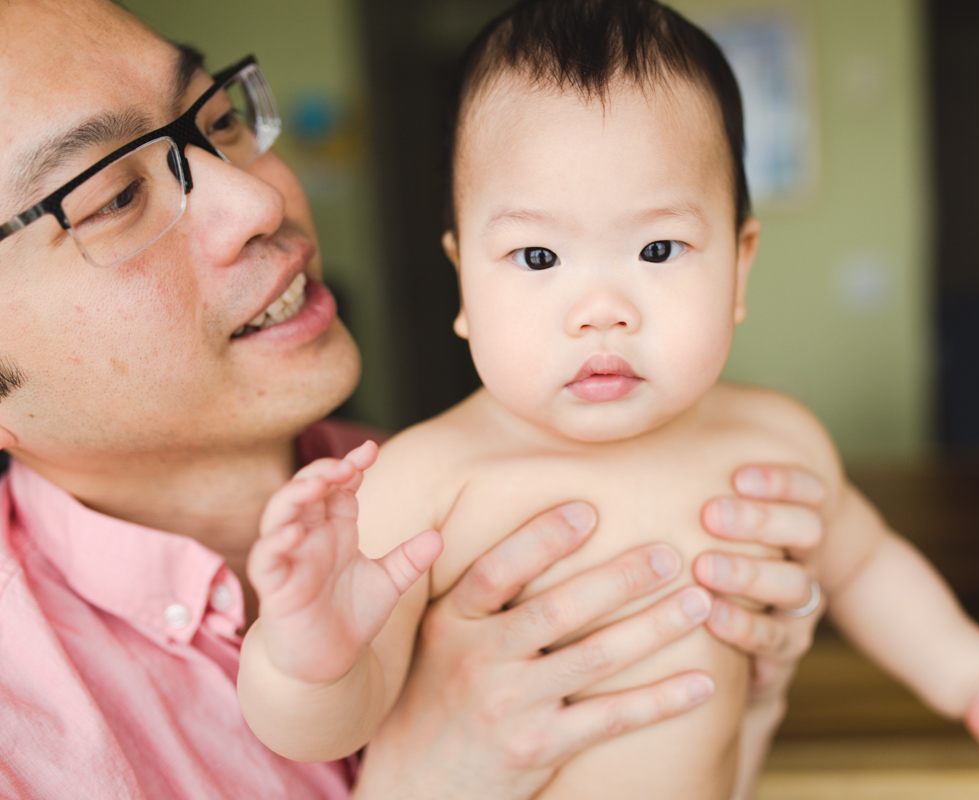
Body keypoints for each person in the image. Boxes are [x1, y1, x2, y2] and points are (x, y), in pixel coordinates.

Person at [237, 1, 979, 798]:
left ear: (739, 265)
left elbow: (866, 567)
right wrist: (305, 660)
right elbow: (339, 723)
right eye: (538, 258)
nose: (602, 311)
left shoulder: (773, 438)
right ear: (464, 281)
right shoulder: (427, 479)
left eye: (658, 250)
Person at [0, 1, 830, 797]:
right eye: (112, 196)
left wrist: (751, 707)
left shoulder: (418, 485)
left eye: (216, 122)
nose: (259, 199)